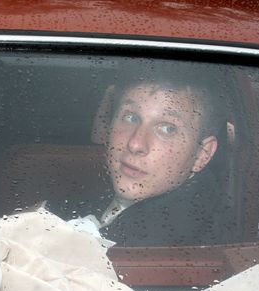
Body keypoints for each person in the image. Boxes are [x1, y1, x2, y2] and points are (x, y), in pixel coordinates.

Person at [52, 62, 228, 246]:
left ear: (201, 154)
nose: (135, 143)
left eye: (167, 128)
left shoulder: (177, 244)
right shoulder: (98, 190)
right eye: (131, 117)